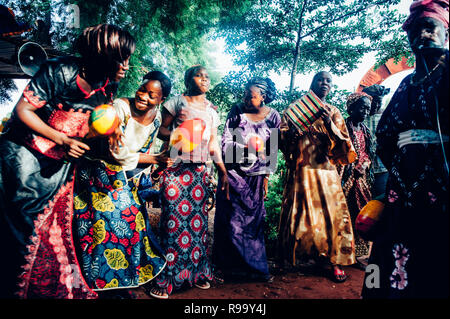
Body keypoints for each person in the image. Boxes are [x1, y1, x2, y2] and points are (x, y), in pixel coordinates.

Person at [0, 24, 134, 299]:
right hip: (23, 153)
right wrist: (62, 140)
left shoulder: (110, 82)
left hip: (61, 160)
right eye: (122, 58)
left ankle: (43, 287)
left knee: (52, 224)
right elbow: (23, 110)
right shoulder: (59, 71)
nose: (126, 65)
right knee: (23, 222)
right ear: (103, 56)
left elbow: (101, 114)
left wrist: (113, 128)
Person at [362, 0, 449, 298]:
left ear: (446, 35)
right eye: (414, 30)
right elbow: (385, 137)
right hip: (404, 191)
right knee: (394, 260)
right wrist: (404, 168)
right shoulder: (404, 86)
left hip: (443, 191)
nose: (422, 35)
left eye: (430, 28)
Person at [72, 71, 172, 296]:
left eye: (152, 95)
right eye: (142, 90)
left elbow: (140, 153)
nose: (144, 96)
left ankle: (122, 281)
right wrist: (156, 158)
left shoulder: (156, 118)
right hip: (97, 174)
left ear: (161, 100)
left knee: (133, 227)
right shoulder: (119, 108)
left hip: (124, 178)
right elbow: (115, 153)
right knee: (101, 228)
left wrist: (156, 163)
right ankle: (99, 283)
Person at [148, 65, 229, 299]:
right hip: (175, 166)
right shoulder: (176, 102)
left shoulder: (212, 111)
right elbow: (160, 130)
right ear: (188, 79)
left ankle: (197, 273)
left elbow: (213, 144)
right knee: (173, 220)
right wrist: (182, 135)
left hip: (200, 171)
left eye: (206, 76)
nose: (203, 79)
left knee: (198, 224)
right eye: (198, 75)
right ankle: (166, 278)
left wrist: (222, 171)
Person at [277, 71, 357, 282]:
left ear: (331, 86)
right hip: (301, 170)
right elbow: (281, 140)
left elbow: (344, 147)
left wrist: (329, 124)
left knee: (332, 215)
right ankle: (293, 258)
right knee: (300, 213)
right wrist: (291, 134)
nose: (324, 83)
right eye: (320, 79)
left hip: (325, 172)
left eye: (328, 80)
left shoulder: (333, 112)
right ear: (312, 83)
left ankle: (333, 261)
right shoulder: (294, 110)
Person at [212, 77, 280, 283]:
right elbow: (226, 142)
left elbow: (273, 149)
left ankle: (254, 269)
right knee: (231, 220)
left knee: (253, 222)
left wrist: (266, 177)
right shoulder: (237, 112)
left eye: (250, 96)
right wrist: (247, 150)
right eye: (244, 95)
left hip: (257, 177)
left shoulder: (274, 117)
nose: (245, 99)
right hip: (233, 174)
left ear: (263, 96)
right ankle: (228, 268)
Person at [338, 92, 375, 269]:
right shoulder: (343, 127)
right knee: (343, 214)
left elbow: (368, 153)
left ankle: (360, 255)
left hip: (362, 178)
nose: (365, 111)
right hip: (344, 177)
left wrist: (365, 165)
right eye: (362, 107)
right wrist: (350, 166)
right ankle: (342, 253)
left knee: (362, 214)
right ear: (351, 108)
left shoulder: (365, 131)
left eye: (367, 108)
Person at [362, 84, 390, 199]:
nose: (377, 105)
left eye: (379, 102)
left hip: (382, 169)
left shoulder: (387, 117)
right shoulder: (359, 117)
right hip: (363, 171)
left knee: (381, 203)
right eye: (373, 102)